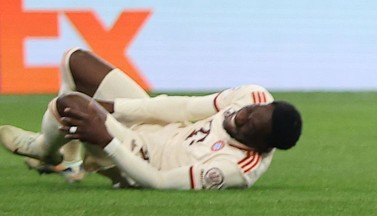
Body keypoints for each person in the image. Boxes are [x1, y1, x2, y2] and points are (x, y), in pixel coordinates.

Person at [0, 49, 301, 190]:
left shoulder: (236, 168)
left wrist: (107, 142)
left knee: (68, 104)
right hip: (158, 128)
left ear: (262, 146)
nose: (243, 117)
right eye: (251, 112)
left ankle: (43, 149)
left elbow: (156, 181)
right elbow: (182, 108)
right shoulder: (253, 96)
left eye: (251, 126)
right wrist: (114, 108)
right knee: (74, 61)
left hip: (139, 157)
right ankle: (65, 157)